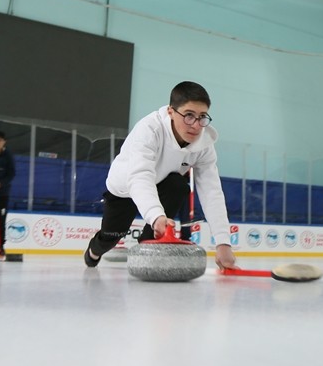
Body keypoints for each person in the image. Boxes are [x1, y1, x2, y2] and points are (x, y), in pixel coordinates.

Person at [84, 81, 237, 271]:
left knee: (178, 185)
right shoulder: (149, 130)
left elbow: (211, 191)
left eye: (202, 117)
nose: (196, 125)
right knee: (112, 236)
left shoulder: (204, 144)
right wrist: (156, 216)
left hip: (162, 185)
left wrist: (223, 242)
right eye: (189, 115)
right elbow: (140, 176)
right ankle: (94, 251)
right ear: (171, 111)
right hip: (125, 188)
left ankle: (147, 250)